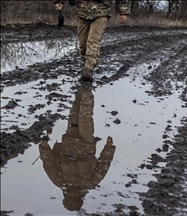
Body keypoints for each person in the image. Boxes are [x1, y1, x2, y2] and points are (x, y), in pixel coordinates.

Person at [39, 83, 116, 211]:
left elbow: (48, 163)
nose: (72, 194)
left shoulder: (59, 181)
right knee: (85, 118)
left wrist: (44, 148)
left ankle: (82, 88)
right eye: (75, 197)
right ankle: (87, 91)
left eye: (70, 196)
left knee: (74, 113)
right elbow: (103, 165)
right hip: (86, 144)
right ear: (80, 197)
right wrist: (108, 148)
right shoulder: (90, 183)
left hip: (69, 140)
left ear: (66, 196)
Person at [54, 0, 130, 82]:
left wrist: (123, 12)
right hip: (82, 10)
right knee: (83, 44)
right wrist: (59, 1)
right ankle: (85, 63)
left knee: (93, 41)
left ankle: (88, 70)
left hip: (101, 11)